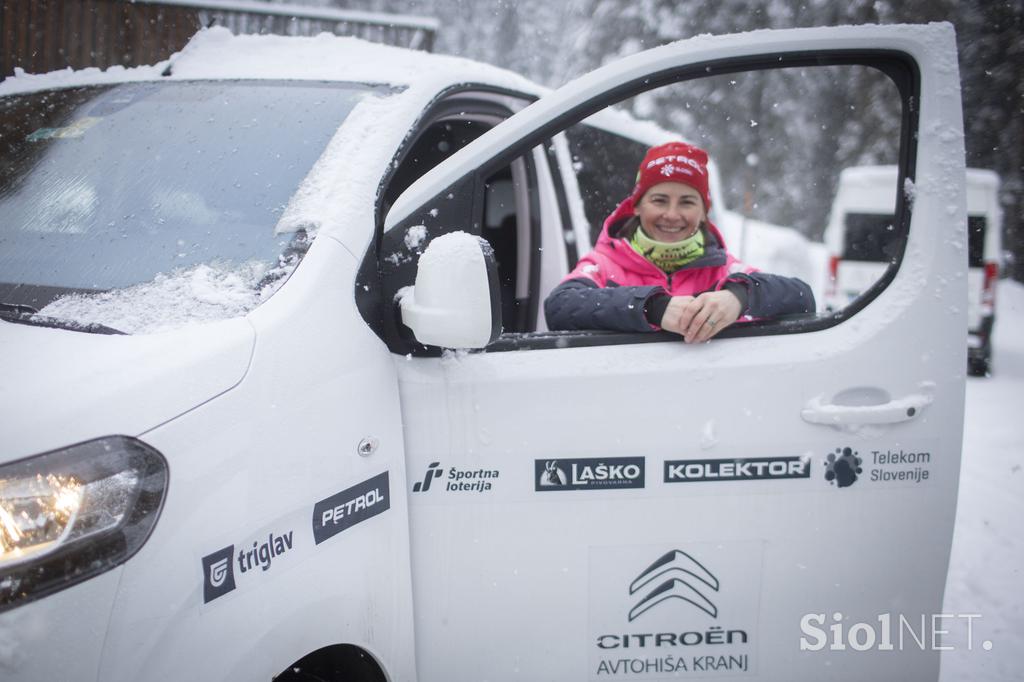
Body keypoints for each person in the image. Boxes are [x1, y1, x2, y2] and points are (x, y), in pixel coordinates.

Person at [544, 141, 814, 342]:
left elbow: (801, 297)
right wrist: (653, 307)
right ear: (636, 206)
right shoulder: (604, 262)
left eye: (687, 202)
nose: (671, 215)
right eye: (659, 200)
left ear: (703, 212)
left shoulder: (724, 271)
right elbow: (560, 306)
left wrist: (740, 296)